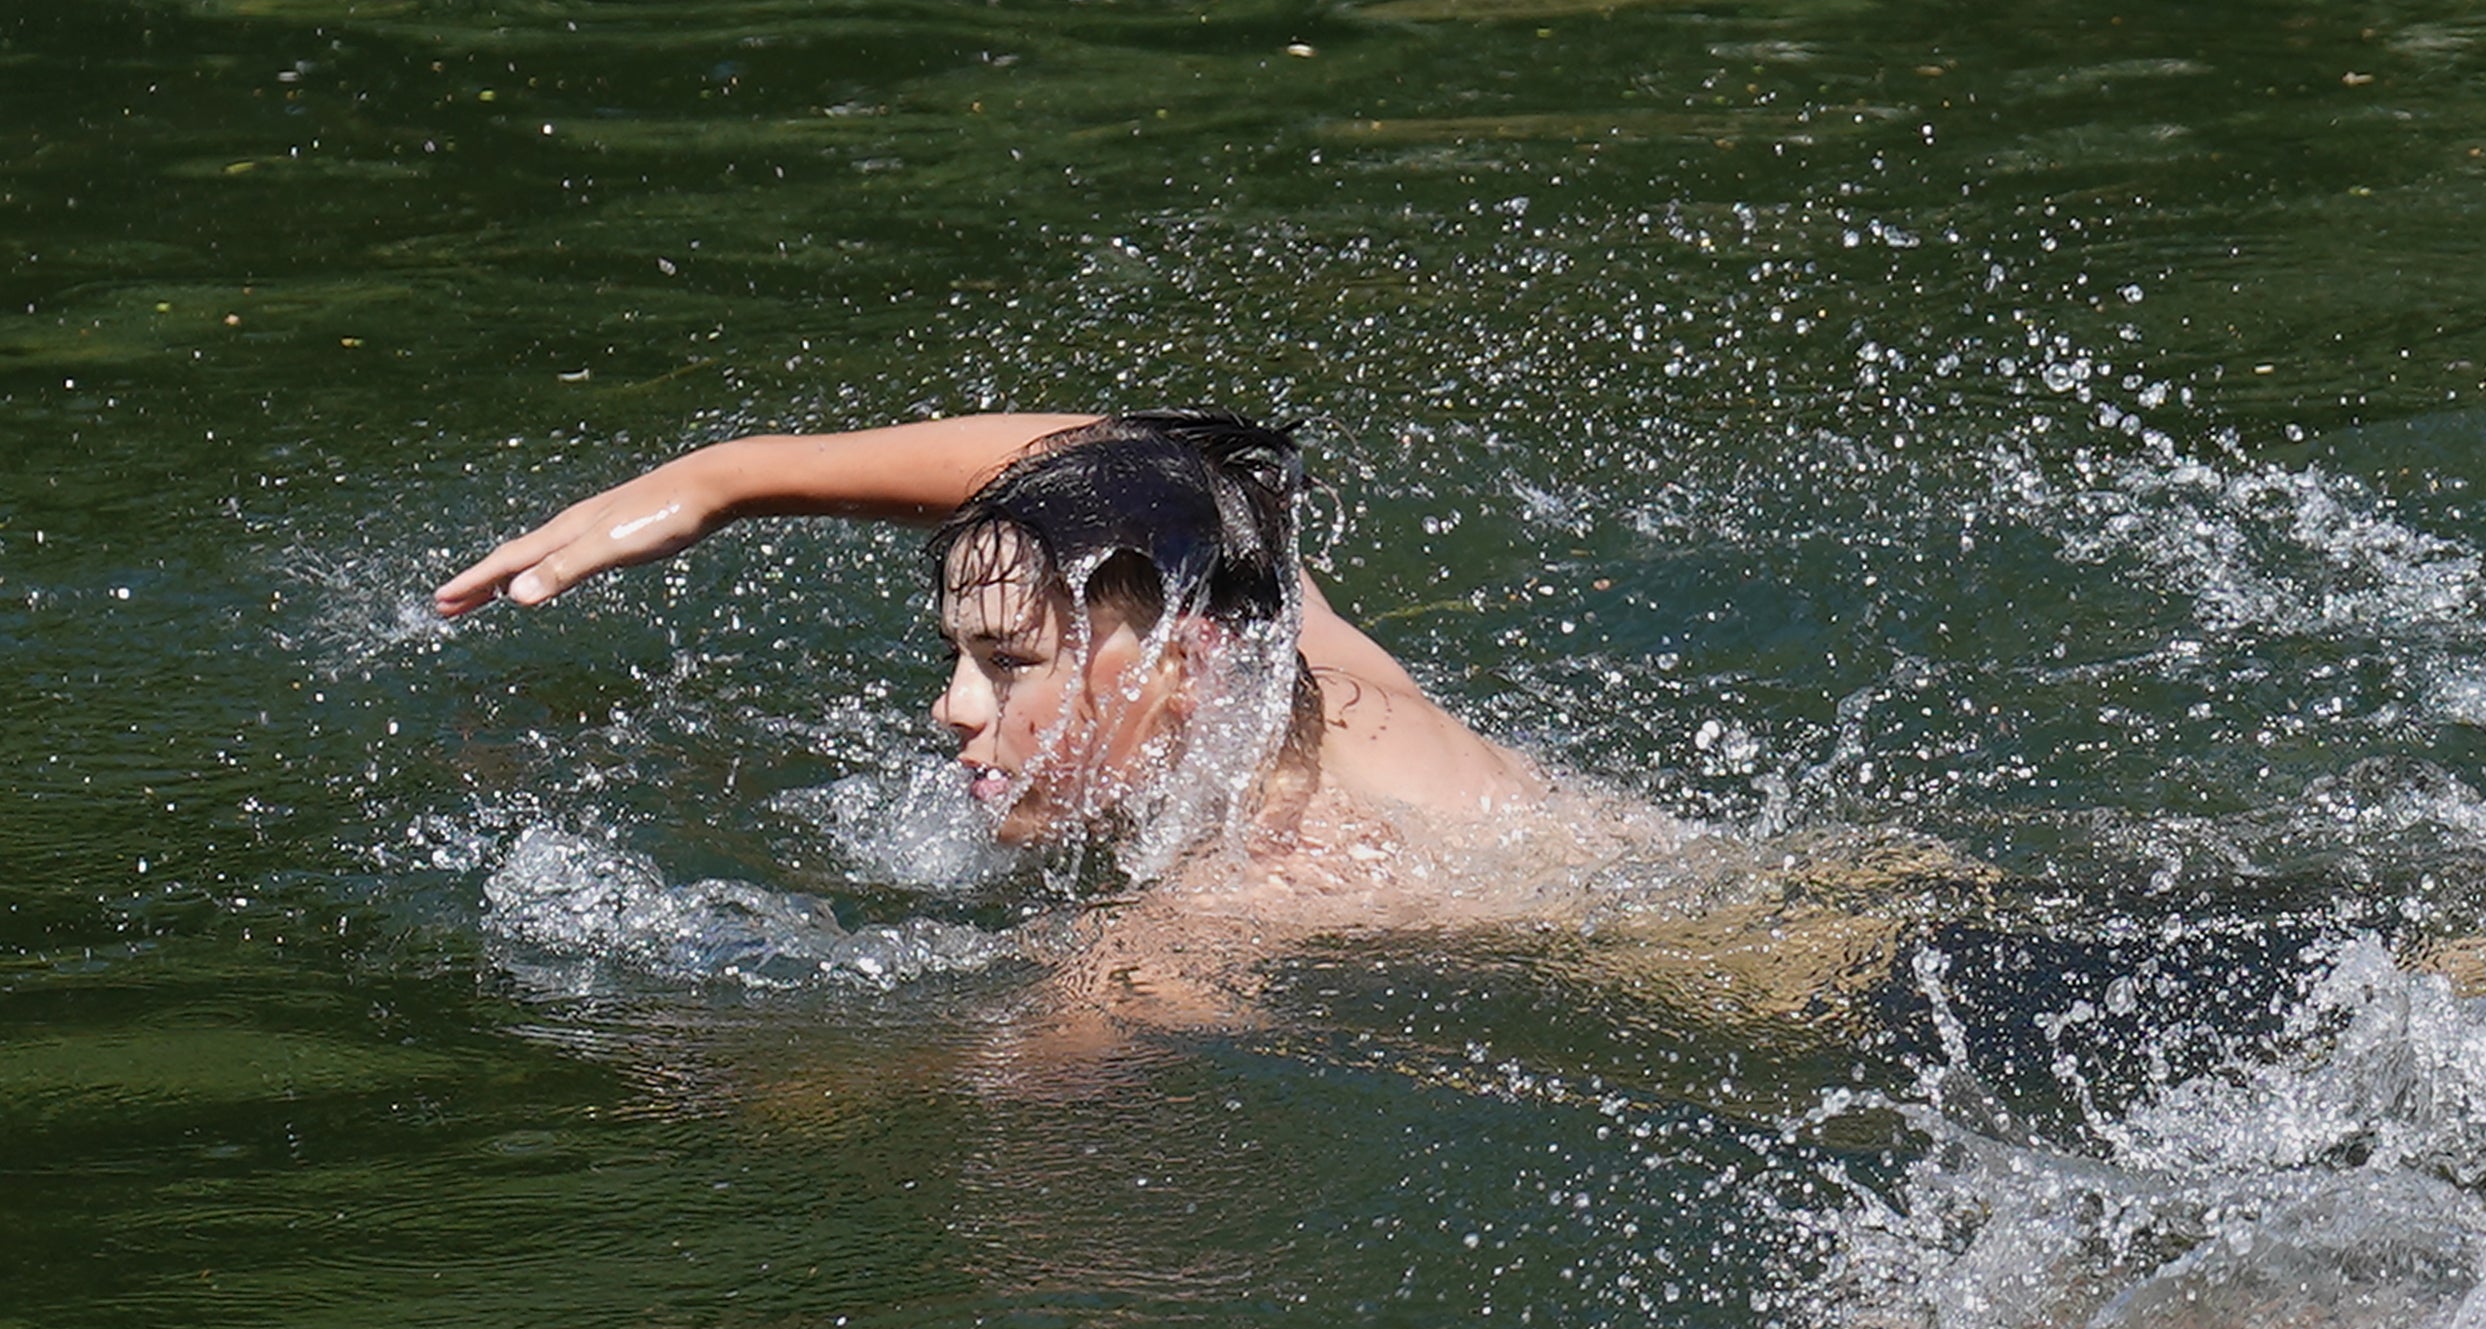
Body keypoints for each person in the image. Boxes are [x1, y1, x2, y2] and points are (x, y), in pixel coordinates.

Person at [434, 410, 1619, 912]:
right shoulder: (1266, 623)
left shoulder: (1277, 876)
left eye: (1008, 662)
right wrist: (729, 477)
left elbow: (1065, 1064)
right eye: (959, 656)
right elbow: (1134, 460)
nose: (953, 710)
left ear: (1179, 664)